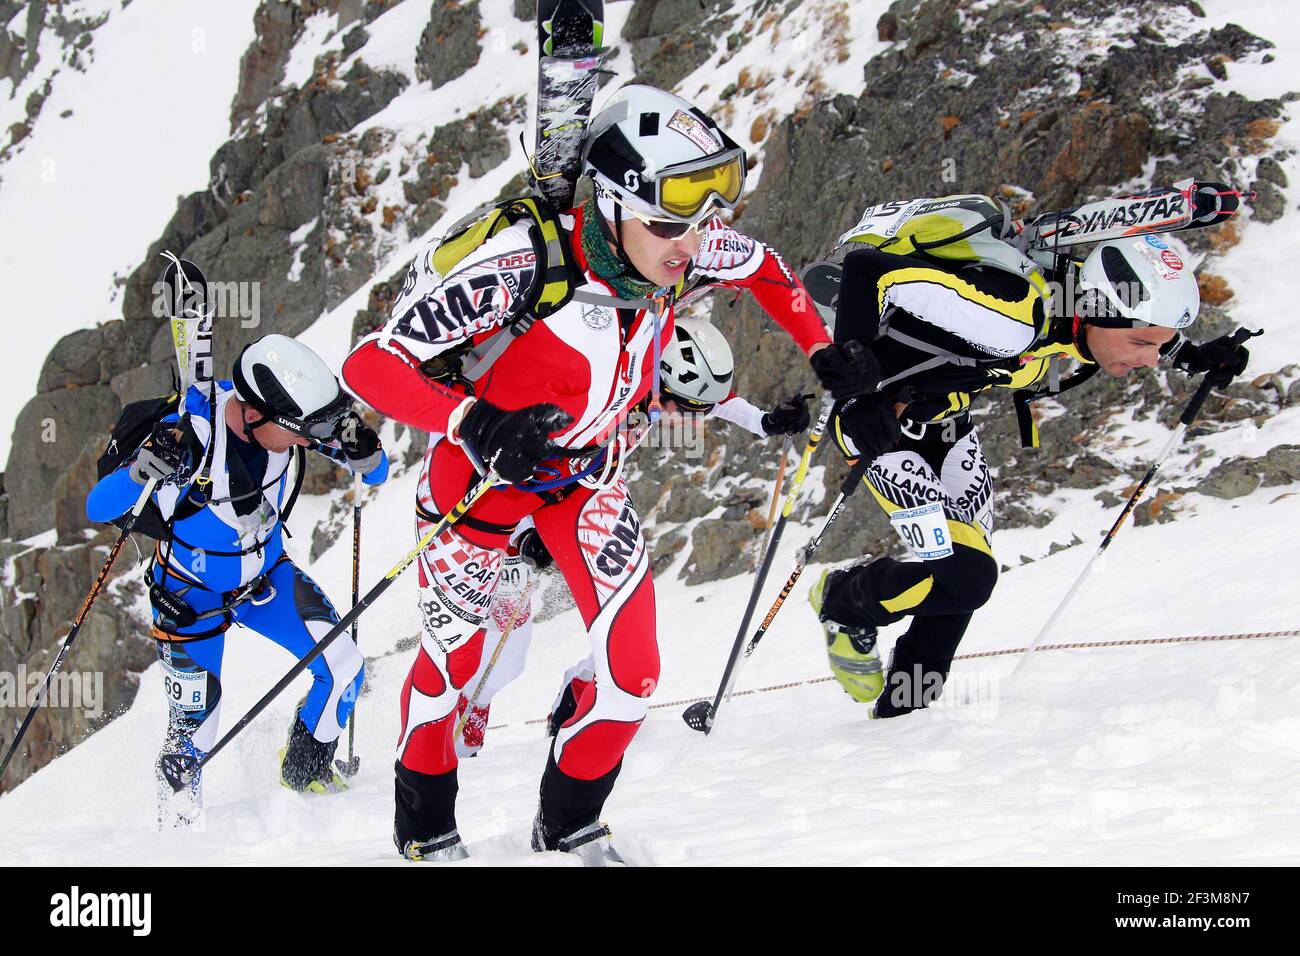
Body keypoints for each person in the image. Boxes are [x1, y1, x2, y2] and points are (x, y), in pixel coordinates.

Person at [342, 84, 844, 863]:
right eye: (672, 223)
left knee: (633, 669)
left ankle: (569, 824)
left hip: (585, 483)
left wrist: (824, 352)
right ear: (611, 205)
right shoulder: (521, 263)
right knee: (454, 670)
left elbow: (770, 272)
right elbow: (371, 363)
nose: (694, 243)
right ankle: (426, 831)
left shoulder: (681, 243)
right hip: (477, 487)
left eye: (708, 219)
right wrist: (473, 421)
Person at [806, 216, 1253, 718]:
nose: (1151, 360)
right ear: (1099, 314)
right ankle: (844, 601)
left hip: (949, 425)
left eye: (1157, 345)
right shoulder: (1011, 317)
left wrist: (1193, 354)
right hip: (881, 429)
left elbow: (1133, 329)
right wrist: (861, 393)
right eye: (1143, 345)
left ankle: (903, 715)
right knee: (968, 577)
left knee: (959, 586)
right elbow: (868, 269)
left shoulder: (1083, 310)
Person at [451, 317, 812, 758]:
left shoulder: (658, 382)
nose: (689, 421)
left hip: (578, 499)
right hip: (508, 508)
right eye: (688, 407)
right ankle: (459, 730)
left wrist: (765, 421)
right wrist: (525, 534)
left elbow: (710, 401)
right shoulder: (601, 385)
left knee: (620, 619)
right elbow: (514, 457)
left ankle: (578, 697)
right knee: (507, 651)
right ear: (662, 379)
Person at [86, 334, 389, 824]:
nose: (306, 441)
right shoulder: (187, 437)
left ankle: (305, 777)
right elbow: (98, 507)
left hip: (264, 580)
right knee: (196, 729)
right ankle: (180, 837)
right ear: (252, 415)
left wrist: (363, 450)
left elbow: (374, 474)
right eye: (297, 432)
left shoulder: (288, 415)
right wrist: (143, 472)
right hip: (189, 595)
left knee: (345, 668)